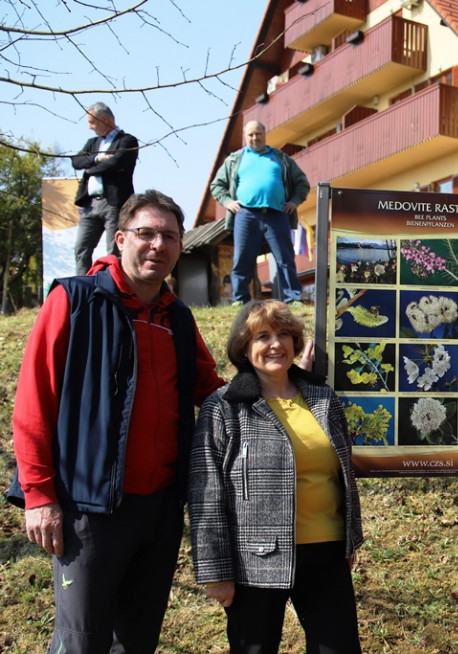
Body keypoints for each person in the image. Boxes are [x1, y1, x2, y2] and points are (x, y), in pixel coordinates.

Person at [7, 189, 226, 653]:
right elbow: (33, 401)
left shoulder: (178, 319)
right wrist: (39, 495)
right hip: (87, 510)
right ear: (120, 238)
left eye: (169, 236)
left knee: (136, 641)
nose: (157, 245)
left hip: (161, 512)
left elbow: (214, 391)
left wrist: (287, 380)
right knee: (81, 642)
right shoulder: (74, 300)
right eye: (146, 234)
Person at [189, 300, 363, 654]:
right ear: (244, 346)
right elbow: (207, 494)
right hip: (254, 562)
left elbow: (342, 476)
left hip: (326, 555)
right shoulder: (223, 407)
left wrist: (348, 541)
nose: (275, 344)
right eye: (262, 336)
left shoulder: (322, 398)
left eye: (284, 334)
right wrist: (216, 572)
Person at [210, 120, 311, 306]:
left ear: (265, 134)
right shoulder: (235, 159)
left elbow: (302, 183)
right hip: (246, 215)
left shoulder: (280, 158)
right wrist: (228, 202)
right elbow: (216, 185)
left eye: (258, 134)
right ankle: (240, 299)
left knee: (285, 258)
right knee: (242, 259)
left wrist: (294, 202)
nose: (254, 138)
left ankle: (294, 297)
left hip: (277, 214)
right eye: (250, 134)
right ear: (245, 137)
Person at [71, 102, 139, 274]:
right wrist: (98, 160)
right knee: (81, 248)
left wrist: (90, 169)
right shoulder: (92, 143)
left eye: (92, 122)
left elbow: (117, 162)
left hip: (114, 204)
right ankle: (84, 288)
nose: (89, 127)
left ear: (105, 120)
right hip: (90, 205)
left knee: (114, 250)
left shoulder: (127, 141)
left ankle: (114, 289)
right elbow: (75, 161)